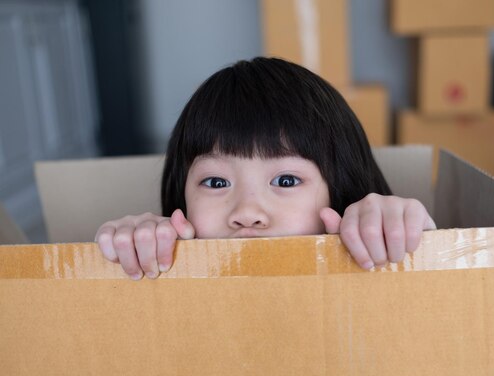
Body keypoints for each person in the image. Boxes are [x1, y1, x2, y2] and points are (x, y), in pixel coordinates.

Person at [95, 57, 435, 280]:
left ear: (341, 189)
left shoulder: (369, 231)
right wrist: (136, 244)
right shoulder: (167, 247)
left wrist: (398, 229)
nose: (247, 213)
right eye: (215, 181)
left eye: (286, 180)